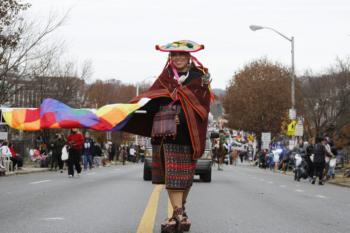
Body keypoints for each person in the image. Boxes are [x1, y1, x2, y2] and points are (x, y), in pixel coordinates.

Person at [121, 40, 212, 233]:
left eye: (182, 55)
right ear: (170, 58)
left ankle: (176, 216)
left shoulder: (199, 78)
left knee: (186, 177)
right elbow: (152, 101)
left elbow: (203, 107)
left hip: (190, 135)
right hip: (167, 136)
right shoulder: (164, 78)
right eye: (174, 55)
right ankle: (179, 213)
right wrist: (132, 108)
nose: (178, 58)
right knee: (172, 176)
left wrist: (183, 112)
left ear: (189, 58)